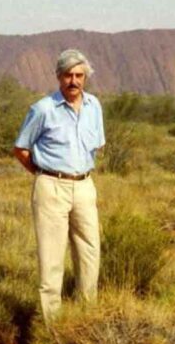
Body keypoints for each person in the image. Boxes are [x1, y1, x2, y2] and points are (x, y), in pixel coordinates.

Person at [12, 49, 105, 322]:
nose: (73, 81)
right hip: (51, 185)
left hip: (85, 185)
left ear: (85, 77)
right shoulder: (42, 109)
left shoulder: (94, 106)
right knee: (51, 259)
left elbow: (98, 144)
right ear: (58, 77)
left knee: (90, 252)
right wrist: (43, 175)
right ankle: (52, 328)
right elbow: (21, 149)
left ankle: (86, 320)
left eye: (79, 75)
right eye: (68, 75)